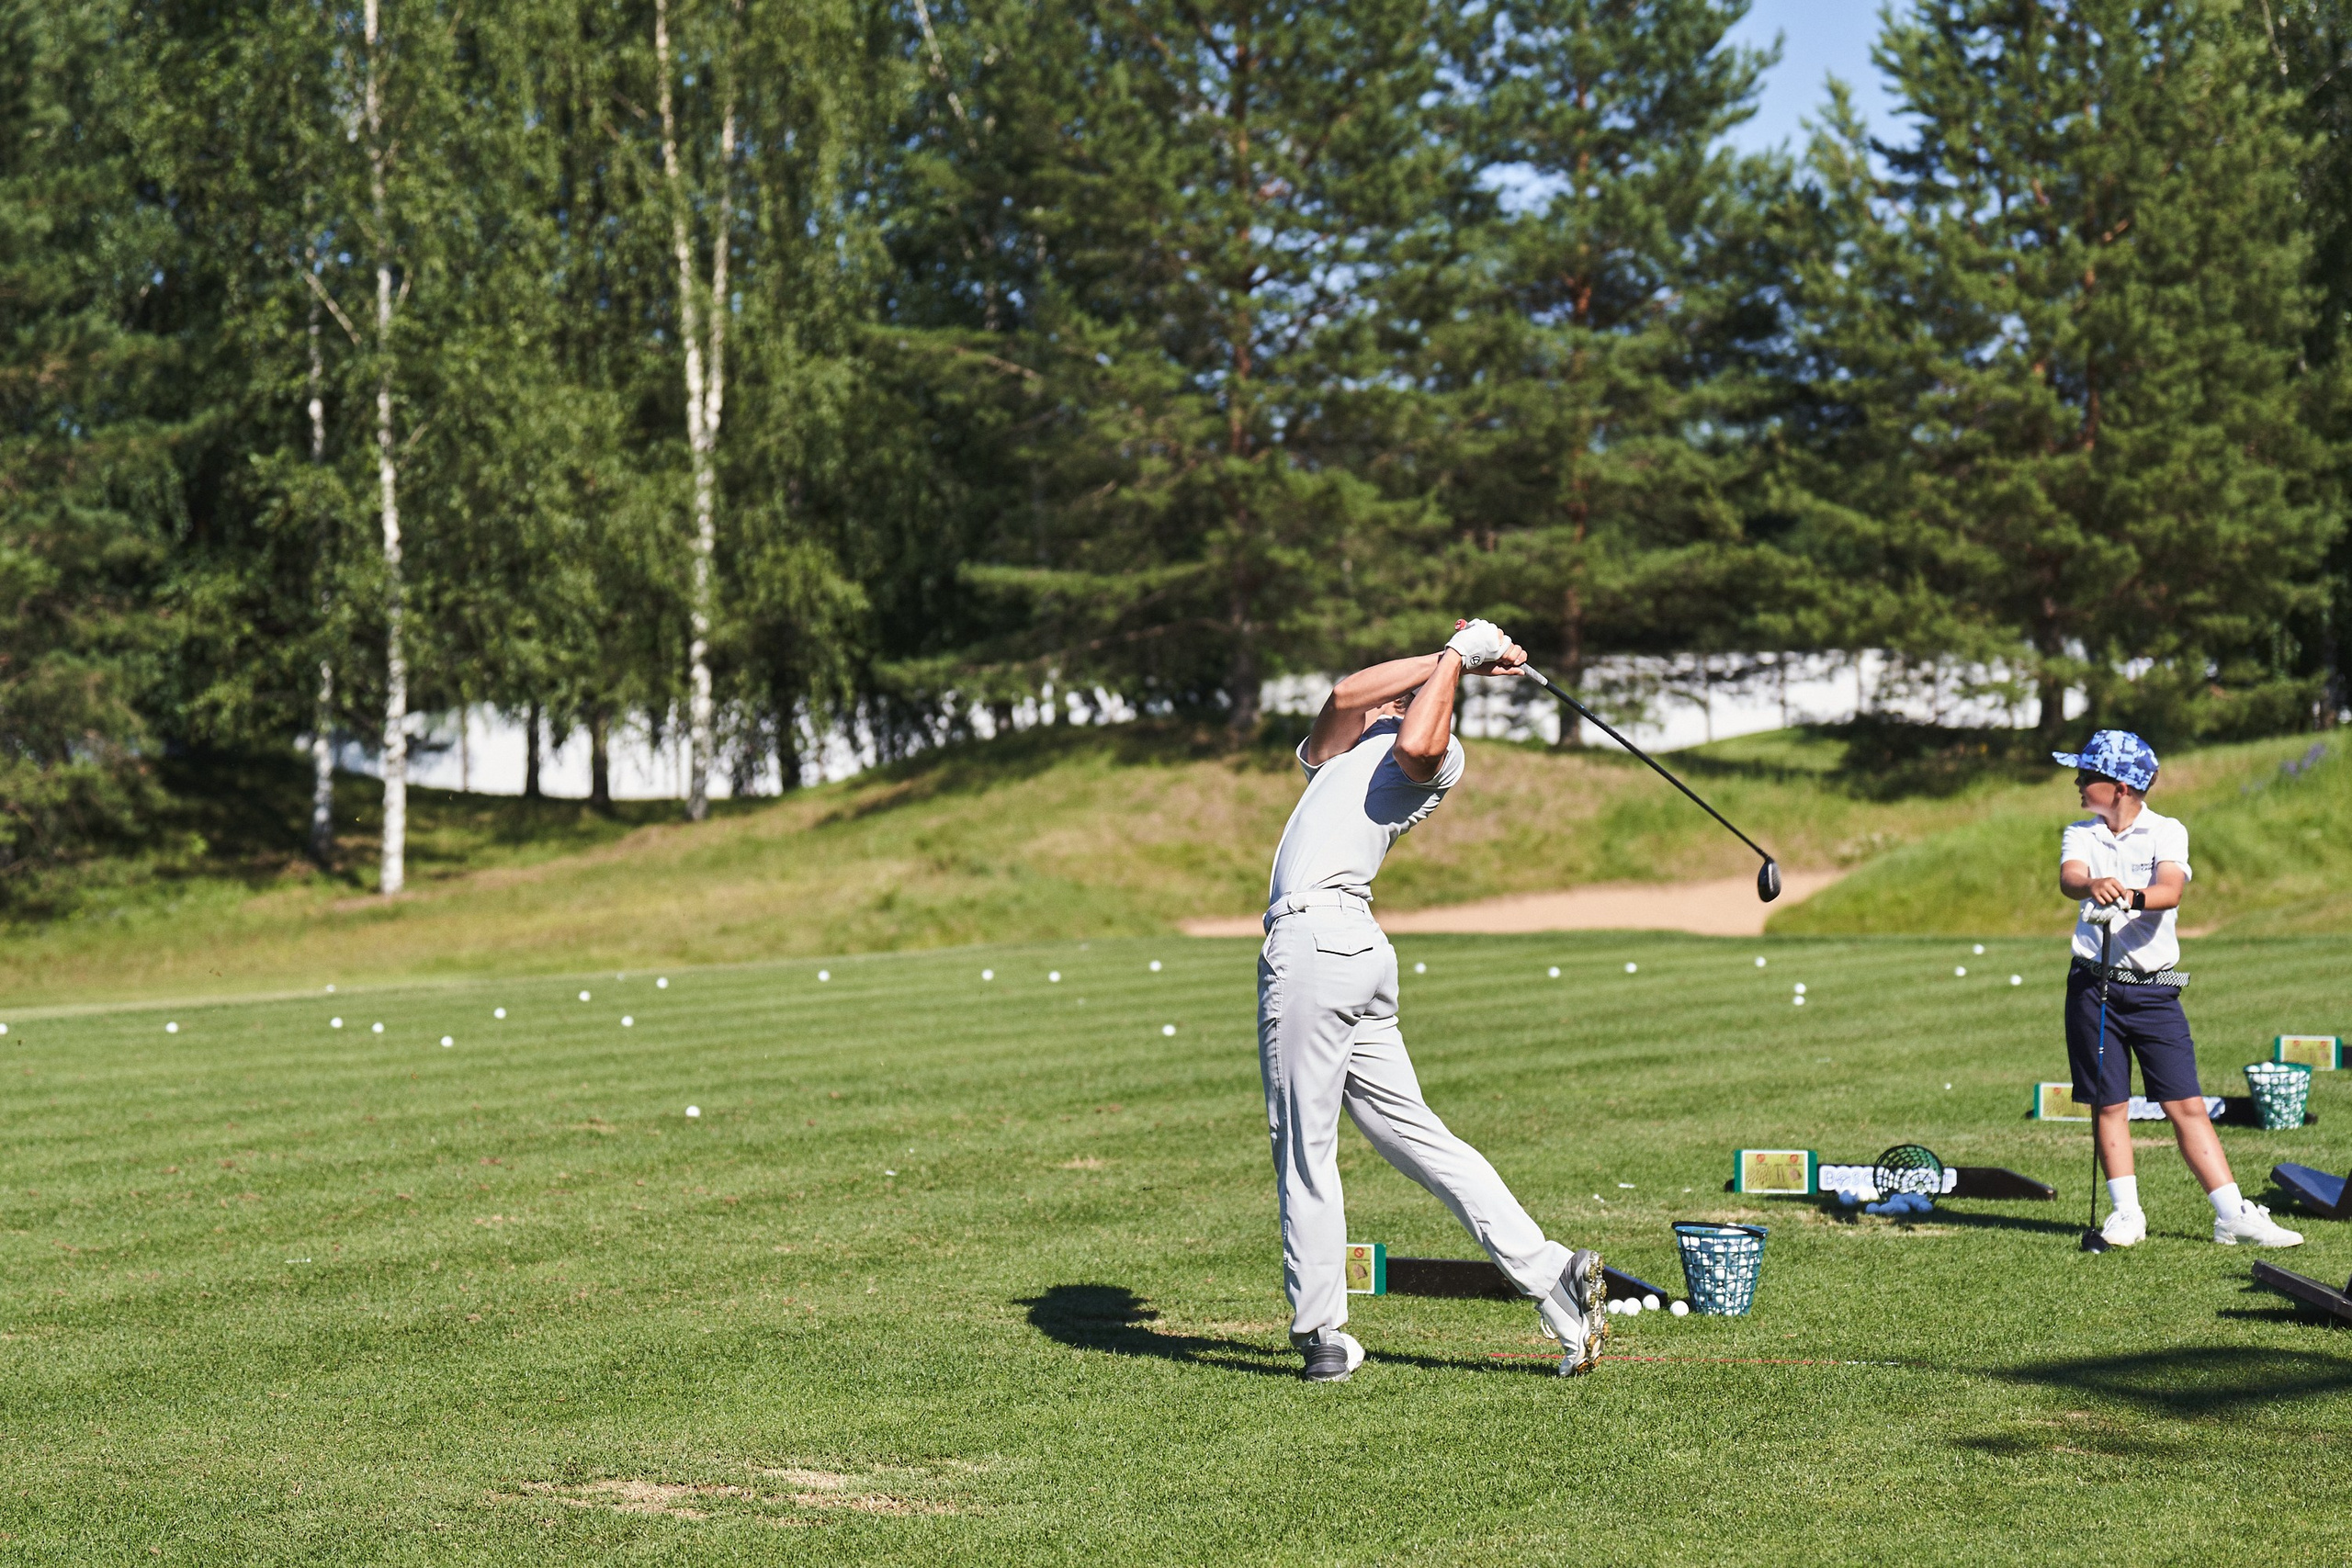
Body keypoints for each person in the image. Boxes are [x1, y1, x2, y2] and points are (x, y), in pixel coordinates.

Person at [1257, 618, 1606, 1382]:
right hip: (1348, 954)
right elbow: (1347, 691)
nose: (1393, 699)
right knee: (1417, 1136)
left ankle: (1322, 1332)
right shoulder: (1335, 755)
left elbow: (1417, 738)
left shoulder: (1439, 755)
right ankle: (1552, 1274)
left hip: (1318, 946)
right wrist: (1463, 652)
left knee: (1303, 1145)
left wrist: (1455, 661)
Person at [2055, 729, 2301, 1249]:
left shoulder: (2167, 831)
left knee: (2185, 1102)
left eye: (2087, 775)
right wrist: (2092, 885)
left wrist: (2128, 897)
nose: (2078, 782)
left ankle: (2231, 1214)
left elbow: (2169, 891)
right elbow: (2071, 877)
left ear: (2121, 786)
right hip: (2092, 988)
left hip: (2155, 989)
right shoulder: (2081, 832)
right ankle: (2126, 1215)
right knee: (2109, 1104)